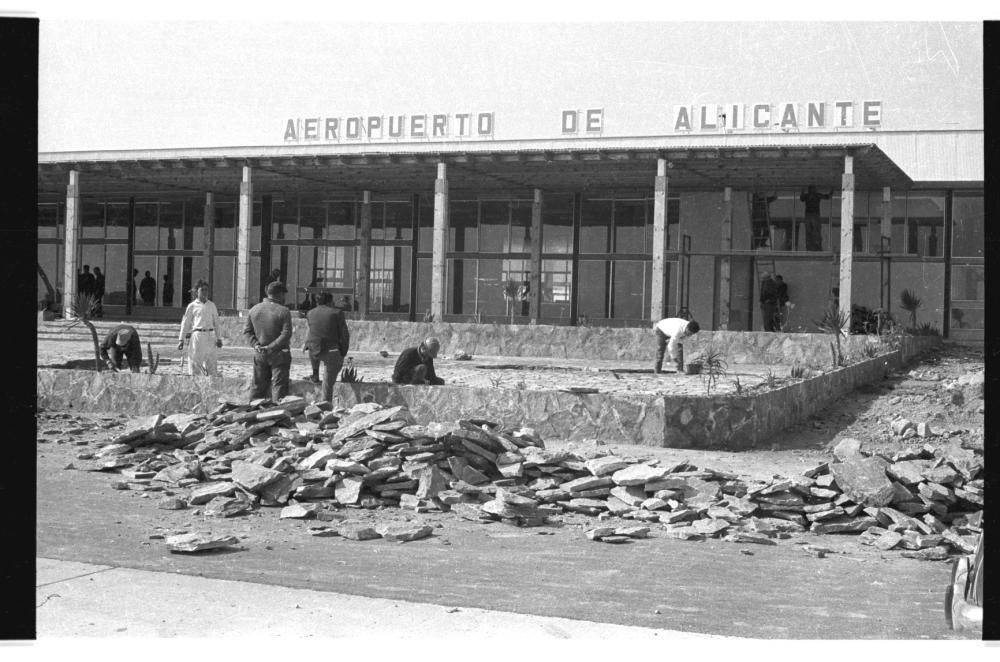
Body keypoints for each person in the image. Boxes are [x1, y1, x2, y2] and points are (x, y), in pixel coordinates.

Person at [243, 280, 293, 401]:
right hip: (279, 353)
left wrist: (256, 345)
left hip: (260, 354)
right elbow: (286, 333)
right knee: (279, 387)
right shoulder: (283, 311)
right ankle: (277, 414)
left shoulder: (254, 310)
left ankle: (252, 412)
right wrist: (271, 347)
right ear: (280, 294)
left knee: (257, 386)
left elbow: (247, 332)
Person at [304, 292, 350, 402]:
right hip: (331, 351)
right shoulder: (337, 313)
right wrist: (343, 351)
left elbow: (311, 332)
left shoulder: (310, 313)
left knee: (314, 348)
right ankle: (326, 405)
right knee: (328, 383)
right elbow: (344, 334)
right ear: (330, 301)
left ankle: (315, 374)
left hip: (314, 350)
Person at [178, 280, 223, 377]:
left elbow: (216, 322)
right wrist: (181, 339)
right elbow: (185, 323)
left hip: (210, 336)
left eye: (206, 290)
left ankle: (211, 386)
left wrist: (219, 338)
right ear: (197, 291)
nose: (204, 292)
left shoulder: (211, 305)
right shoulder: (192, 306)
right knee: (195, 362)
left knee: (211, 363)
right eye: (202, 290)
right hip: (197, 336)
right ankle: (196, 386)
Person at [800, 185, 831, 252]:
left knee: (810, 232)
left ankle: (811, 247)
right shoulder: (816, 195)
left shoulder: (808, 195)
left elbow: (802, 199)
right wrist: (832, 191)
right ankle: (816, 247)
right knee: (816, 231)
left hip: (809, 215)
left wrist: (802, 191)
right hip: (814, 215)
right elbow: (827, 197)